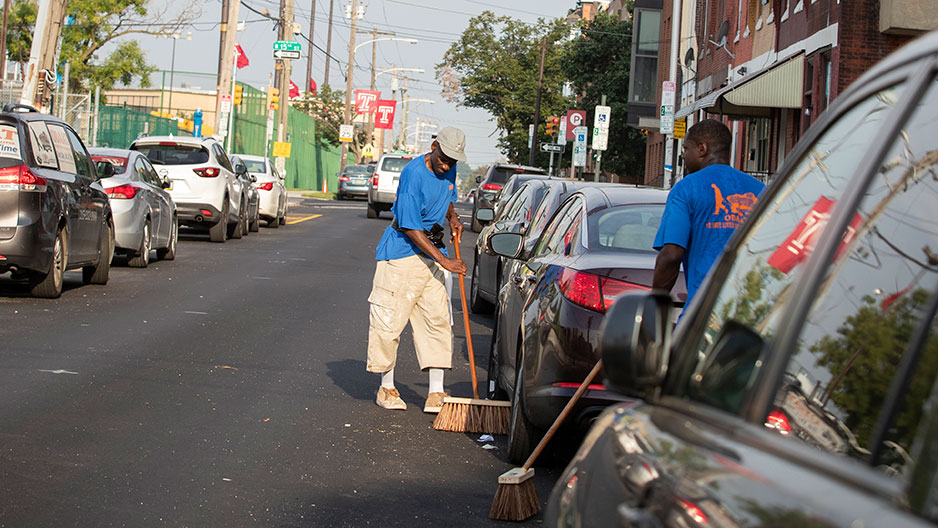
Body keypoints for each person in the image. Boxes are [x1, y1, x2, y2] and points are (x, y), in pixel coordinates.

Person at [366, 127, 468, 413]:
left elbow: (447, 196)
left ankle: (436, 392)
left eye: (453, 161)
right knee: (390, 323)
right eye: (444, 158)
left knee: (437, 320)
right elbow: (411, 227)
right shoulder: (413, 175)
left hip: (431, 254)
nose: (447, 166)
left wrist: (453, 217)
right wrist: (444, 261)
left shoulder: (449, 168)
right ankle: (386, 388)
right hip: (402, 254)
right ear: (434, 146)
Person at [653, 119, 765, 306]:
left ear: (702, 149)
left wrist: (653, 305)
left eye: (686, 149)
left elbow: (672, 254)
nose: (683, 156)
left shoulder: (686, 189)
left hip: (703, 313)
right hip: (749, 312)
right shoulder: (760, 190)